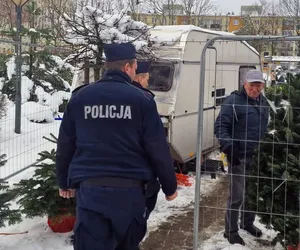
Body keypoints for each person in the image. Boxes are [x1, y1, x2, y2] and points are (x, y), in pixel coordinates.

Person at [56, 42, 178, 250]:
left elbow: (66, 142)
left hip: (91, 191)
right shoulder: (142, 100)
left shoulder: (80, 98)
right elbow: (157, 148)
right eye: (135, 67)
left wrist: (63, 181)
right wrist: (169, 187)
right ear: (128, 67)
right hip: (130, 193)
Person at [214, 70, 269, 246]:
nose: (255, 89)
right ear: (244, 84)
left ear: (262, 85)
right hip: (239, 156)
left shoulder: (264, 103)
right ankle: (230, 231)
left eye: (258, 85)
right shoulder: (233, 101)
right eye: (252, 85)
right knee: (237, 195)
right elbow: (220, 125)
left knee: (251, 194)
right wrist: (229, 146)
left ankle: (247, 223)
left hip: (257, 156)